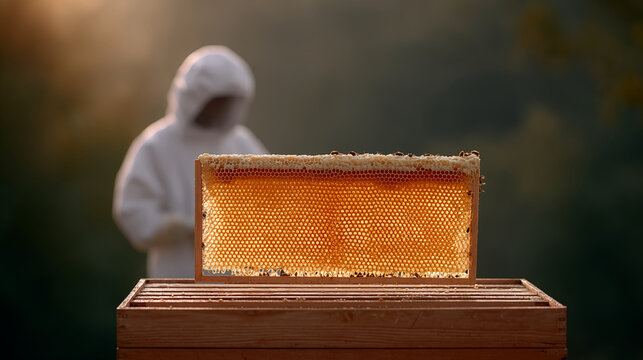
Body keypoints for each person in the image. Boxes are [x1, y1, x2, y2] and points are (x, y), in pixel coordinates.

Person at [113, 46, 268, 278]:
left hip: (239, 286)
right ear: (195, 98)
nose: (222, 109)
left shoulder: (242, 144)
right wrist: (175, 228)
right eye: (217, 101)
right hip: (176, 278)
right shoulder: (156, 145)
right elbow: (132, 210)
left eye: (229, 101)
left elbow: (272, 199)